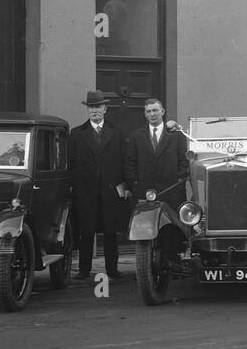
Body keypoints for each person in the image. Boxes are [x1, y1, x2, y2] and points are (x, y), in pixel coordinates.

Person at [123, 98, 192, 270]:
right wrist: (135, 184)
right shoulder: (136, 136)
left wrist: (179, 179)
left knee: (172, 229)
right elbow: (130, 162)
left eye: (155, 110)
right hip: (145, 192)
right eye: (148, 111)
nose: (152, 114)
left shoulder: (176, 135)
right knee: (146, 231)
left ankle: (173, 265)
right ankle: (148, 268)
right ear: (145, 114)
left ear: (162, 111)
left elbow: (184, 160)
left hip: (171, 191)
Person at [69, 89, 129, 281]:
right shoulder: (77, 134)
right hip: (86, 192)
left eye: (97, 107)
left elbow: (125, 161)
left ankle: (112, 269)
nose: (94, 111)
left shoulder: (118, 133)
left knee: (111, 232)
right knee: (86, 232)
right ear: (87, 110)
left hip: (111, 192)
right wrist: (74, 188)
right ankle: (84, 270)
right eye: (90, 108)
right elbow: (71, 163)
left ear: (105, 108)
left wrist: (125, 185)